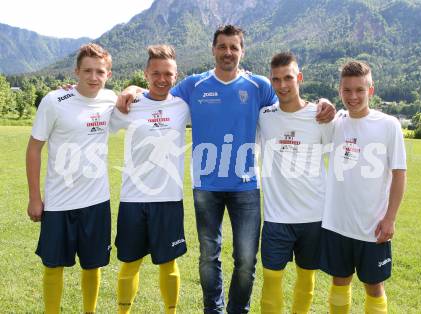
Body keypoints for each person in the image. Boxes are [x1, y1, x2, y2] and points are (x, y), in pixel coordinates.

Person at [119, 25, 335, 314]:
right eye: (222, 46)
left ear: (242, 51)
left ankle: (238, 310)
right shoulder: (194, 85)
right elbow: (157, 91)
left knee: (246, 259)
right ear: (213, 49)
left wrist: (323, 102)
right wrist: (130, 89)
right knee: (209, 255)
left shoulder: (259, 86)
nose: (228, 52)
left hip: (246, 187)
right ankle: (213, 309)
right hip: (206, 187)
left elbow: (291, 102)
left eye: (234, 47)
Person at [26, 43, 116, 314]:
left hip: (97, 201)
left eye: (100, 71)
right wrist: (34, 197)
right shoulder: (54, 101)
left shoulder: (111, 99)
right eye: (87, 70)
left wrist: (134, 89)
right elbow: (33, 149)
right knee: (53, 265)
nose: (93, 77)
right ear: (76, 71)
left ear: (108, 75)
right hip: (58, 202)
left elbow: (139, 95)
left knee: (93, 265)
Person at [320, 61, 407, 314]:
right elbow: (317, 112)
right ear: (340, 91)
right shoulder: (336, 121)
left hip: (372, 225)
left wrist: (390, 218)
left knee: (374, 286)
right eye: (347, 90)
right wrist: (325, 101)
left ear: (371, 90)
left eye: (360, 90)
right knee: (339, 281)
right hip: (337, 223)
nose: (353, 96)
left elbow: (399, 175)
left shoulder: (389, 125)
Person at [110, 45, 190, 314]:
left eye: (168, 74)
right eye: (156, 73)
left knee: (168, 264)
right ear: (146, 73)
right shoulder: (129, 105)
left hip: (168, 199)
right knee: (130, 263)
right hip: (133, 199)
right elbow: (92, 112)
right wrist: (69, 91)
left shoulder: (183, 106)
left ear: (176, 76)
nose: (161, 79)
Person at [257, 52, 333, 314]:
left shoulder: (321, 116)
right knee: (271, 279)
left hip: (314, 216)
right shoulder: (264, 116)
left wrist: (327, 103)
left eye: (288, 77)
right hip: (276, 217)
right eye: (276, 80)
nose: (282, 85)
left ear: (299, 77)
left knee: (306, 279)